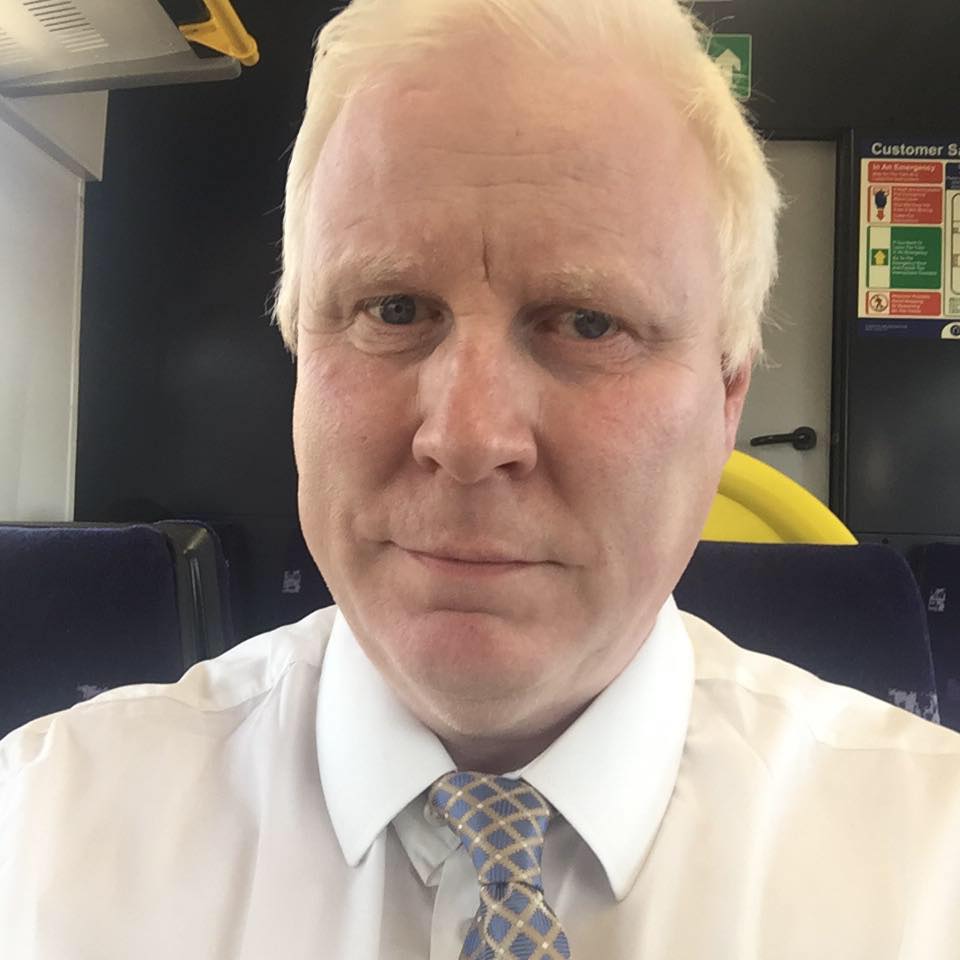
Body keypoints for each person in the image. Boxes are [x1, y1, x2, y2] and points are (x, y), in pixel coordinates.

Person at [2, 0, 959, 957]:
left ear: (725, 403)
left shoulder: (928, 870)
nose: (466, 437)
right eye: (393, 305)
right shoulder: (44, 849)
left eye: (587, 322)